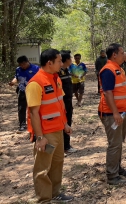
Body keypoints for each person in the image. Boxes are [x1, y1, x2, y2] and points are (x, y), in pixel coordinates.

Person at [25, 49, 73, 202]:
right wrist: (40, 137)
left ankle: (55, 192)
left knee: (57, 162)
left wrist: (65, 124)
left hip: (58, 130)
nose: (62, 63)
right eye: (59, 61)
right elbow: (33, 113)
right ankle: (44, 199)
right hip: (46, 133)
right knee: (42, 168)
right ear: (49, 63)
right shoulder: (35, 83)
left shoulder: (55, 78)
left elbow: (59, 105)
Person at [98, 43, 126, 185]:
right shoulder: (108, 70)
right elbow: (107, 93)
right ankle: (112, 176)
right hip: (111, 114)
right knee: (114, 144)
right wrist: (115, 113)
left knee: (119, 142)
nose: (123, 54)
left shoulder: (119, 69)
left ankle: (117, 168)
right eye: (121, 52)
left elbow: (123, 89)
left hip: (122, 112)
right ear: (114, 55)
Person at [8, 55, 39, 132]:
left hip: (33, 91)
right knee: (21, 108)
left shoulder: (36, 68)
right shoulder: (18, 69)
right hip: (22, 91)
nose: (22, 66)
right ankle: (22, 125)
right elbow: (17, 77)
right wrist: (13, 82)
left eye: (24, 64)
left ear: (27, 61)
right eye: (20, 65)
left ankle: (35, 124)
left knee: (34, 108)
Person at [59, 51, 77, 154]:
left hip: (68, 102)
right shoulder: (58, 73)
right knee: (63, 124)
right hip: (62, 103)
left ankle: (66, 145)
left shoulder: (67, 70)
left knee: (68, 122)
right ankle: (64, 146)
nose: (72, 59)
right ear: (66, 60)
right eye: (70, 58)